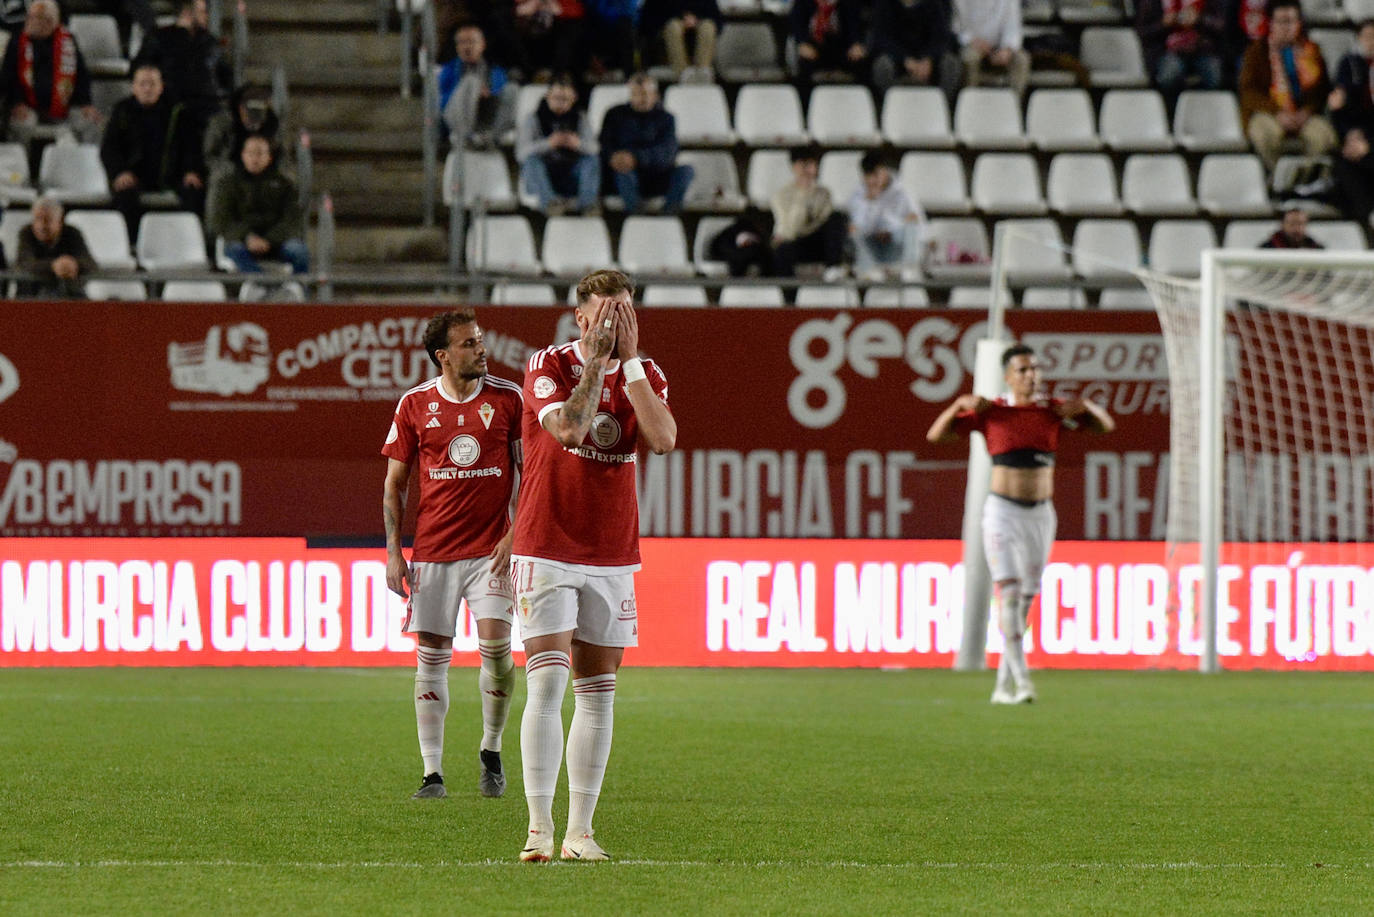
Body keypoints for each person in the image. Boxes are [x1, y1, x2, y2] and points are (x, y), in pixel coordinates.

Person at [511, 268, 675, 862]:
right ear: (579, 316)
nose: (615, 322)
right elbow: (572, 428)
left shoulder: (647, 373)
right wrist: (599, 363)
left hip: (611, 551)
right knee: (549, 681)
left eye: (626, 311)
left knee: (599, 693)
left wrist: (627, 364)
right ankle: (537, 829)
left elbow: (662, 439)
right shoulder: (547, 366)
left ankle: (580, 832)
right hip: (546, 542)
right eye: (606, 311)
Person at [382, 309, 524, 801]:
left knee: (497, 653)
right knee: (431, 660)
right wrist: (393, 551)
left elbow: (532, 473)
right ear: (443, 355)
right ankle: (433, 774)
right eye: (469, 343)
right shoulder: (415, 404)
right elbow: (395, 484)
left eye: (480, 340)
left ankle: (491, 748)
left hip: (492, 551)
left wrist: (516, 533)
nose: (481, 349)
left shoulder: (509, 399)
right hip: (434, 553)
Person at [926, 344, 1114, 705]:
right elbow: (937, 435)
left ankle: (1001, 687)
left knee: (1023, 603)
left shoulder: (1053, 411)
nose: (1031, 375)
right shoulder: (992, 412)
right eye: (1023, 370)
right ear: (1008, 376)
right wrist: (956, 406)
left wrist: (1088, 407)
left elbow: (1104, 429)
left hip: (1040, 515)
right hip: (1002, 513)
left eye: (1034, 369)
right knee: (1009, 598)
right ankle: (1024, 682)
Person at [100, 62, 207, 243]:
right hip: (133, 176)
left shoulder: (178, 112)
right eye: (142, 84)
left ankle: (189, 243)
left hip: (172, 176)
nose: (147, 88)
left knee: (194, 192)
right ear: (133, 87)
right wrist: (119, 172)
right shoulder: (122, 111)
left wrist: (191, 171)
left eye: (152, 84)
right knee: (124, 196)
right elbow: (109, 148)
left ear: (161, 87)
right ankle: (131, 245)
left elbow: (191, 146)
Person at [1238, 0, 1336, 170]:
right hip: (1268, 112)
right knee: (1265, 135)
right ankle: (1276, 179)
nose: (1288, 27)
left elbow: (1322, 91)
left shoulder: (1312, 52)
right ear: (1271, 23)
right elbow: (1248, 92)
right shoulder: (1256, 51)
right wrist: (1277, 113)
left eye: (1293, 21)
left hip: (1303, 114)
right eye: (1283, 21)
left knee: (1325, 136)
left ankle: (1304, 179)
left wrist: (1307, 111)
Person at [206, 133, 309, 290]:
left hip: (277, 242)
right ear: (243, 155)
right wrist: (248, 237)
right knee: (234, 250)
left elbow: (292, 219)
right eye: (251, 153)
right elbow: (220, 221)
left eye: (260, 153)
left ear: (269, 157)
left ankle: (301, 298)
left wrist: (269, 240)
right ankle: (267, 288)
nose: (255, 158)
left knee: (299, 251)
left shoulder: (285, 185)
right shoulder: (227, 184)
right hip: (242, 241)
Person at [1, 0, 102, 144]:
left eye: (37, 17)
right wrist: (17, 102)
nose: (30, 21)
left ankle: (89, 164)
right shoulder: (17, 41)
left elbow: (81, 75)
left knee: (91, 121)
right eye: (30, 16)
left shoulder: (68, 41)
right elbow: (8, 78)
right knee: (20, 124)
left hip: (66, 107)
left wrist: (86, 103)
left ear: (52, 22)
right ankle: (20, 166)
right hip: (27, 107)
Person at [598, 72, 693, 214]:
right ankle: (636, 216)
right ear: (630, 95)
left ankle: (668, 216)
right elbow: (604, 145)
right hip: (623, 174)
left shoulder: (666, 119)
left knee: (686, 171)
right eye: (637, 94)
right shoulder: (614, 114)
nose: (643, 98)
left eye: (647, 93)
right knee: (622, 172)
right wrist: (614, 157)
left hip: (656, 174)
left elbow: (667, 153)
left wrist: (636, 157)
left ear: (655, 95)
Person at [136, 0, 230, 131]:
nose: (206, 15)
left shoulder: (210, 42)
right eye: (202, 11)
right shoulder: (159, 39)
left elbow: (225, 77)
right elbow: (140, 69)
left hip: (207, 110)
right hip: (169, 110)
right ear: (187, 12)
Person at [517, 75, 600, 215]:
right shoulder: (533, 118)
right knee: (531, 162)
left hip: (571, 174)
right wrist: (549, 143)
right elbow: (521, 154)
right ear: (548, 96)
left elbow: (595, 149)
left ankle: (588, 206)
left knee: (591, 160)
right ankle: (550, 204)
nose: (561, 103)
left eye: (565, 99)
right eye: (557, 98)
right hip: (543, 178)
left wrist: (578, 144)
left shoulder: (580, 117)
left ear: (574, 98)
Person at [845, 148, 926, 281]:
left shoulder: (904, 192)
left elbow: (919, 225)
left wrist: (890, 230)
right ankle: (867, 271)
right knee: (853, 232)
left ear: (885, 170)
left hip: (896, 243)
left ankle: (909, 270)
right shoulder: (857, 195)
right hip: (872, 245)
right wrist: (870, 202)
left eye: (876, 174)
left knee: (912, 225)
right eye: (868, 176)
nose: (872, 180)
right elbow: (857, 227)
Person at [771, 143, 848, 279]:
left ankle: (833, 269)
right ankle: (789, 297)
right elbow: (793, 229)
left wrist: (812, 226)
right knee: (782, 250)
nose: (811, 170)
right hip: (793, 241)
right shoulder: (781, 195)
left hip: (816, 241)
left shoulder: (823, 193)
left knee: (837, 217)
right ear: (795, 167)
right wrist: (804, 195)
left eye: (814, 165)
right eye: (806, 165)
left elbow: (825, 222)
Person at [437, 22, 518, 150]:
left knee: (512, 89)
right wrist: (471, 93)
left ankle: (491, 138)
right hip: (458, 119)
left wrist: (488, 94)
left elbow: (500, 97)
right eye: (462, 42)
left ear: (482, 45)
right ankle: (467, 137)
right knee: (471, 81)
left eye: (471, 42)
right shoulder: (448, 70)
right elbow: (441, 103)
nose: (467, 47)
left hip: (485, 118)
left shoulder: (495, 70)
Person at [868, 0, 960, 101]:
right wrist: (905, 60)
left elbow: (941, 37)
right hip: (897, 58)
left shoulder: (934, 4)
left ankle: (942, 105)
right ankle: (892, 104)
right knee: (882, 65)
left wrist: (928, 59)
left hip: (929, 59)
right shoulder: (884, 5)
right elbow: (881, 39)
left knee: (950, 63)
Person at [1136, 0, 1226, 98]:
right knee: (1170, 73)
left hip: (1202, 50)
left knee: (1214, 74)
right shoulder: (1151, 3)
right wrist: (1163, 24)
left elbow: (1221, 26)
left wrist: (1199, 19)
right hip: (1166, 51)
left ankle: (1201, 107)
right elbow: (1144, 32)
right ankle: (1172, 109)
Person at [15, 195, 97, 298]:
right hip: (31, 297)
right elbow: (25, 263)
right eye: (37, 219)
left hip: (69, 295)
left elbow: (90, 263)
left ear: (60, 220)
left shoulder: (72, 233)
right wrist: (53, 266)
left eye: (47, 220)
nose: (41, 226)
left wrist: (74, 264)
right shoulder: (26, 233)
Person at [953, 0, 1030, 98]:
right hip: (972, 44)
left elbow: (1013, 27)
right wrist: (972, 41)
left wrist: (1007, 49)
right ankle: (970, 102)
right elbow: (955, 27)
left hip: (1000, 45)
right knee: (969, 58)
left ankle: (1014, 104)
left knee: (1021, 60)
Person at [788, 0, 870, 90]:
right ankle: (805, 102)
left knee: (861, 64)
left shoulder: (849, 3)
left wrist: (856, 43)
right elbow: (797, 23)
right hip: (814, 47)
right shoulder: (803, 2)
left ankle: (861, 99)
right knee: (803, 66)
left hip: (842, 48)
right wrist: (802, 43)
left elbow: (855, 24)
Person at [203, 83, 280, 177]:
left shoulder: (271, 124)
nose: (254, 126)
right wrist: (234, 169)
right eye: (250, 118)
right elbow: (210, 156)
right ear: (241, 109)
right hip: (229, 171)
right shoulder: (221, 123)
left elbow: (279, 154)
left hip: (262, 171)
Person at [638, 0, 722, 82]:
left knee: (708, 27)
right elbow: (650, 16)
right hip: (666, 37)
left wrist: (696, 18)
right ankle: (683, 73)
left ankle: (703, 71)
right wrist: (681, 17)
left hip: (697, 25)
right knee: (673, 27)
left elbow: (715, 16)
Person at [1327, 20, 1374, 142]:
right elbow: (1339, 99)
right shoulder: (1349, 63)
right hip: (1355, 125)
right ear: (1358, 38)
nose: (1372, 42)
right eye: (1368, 36)